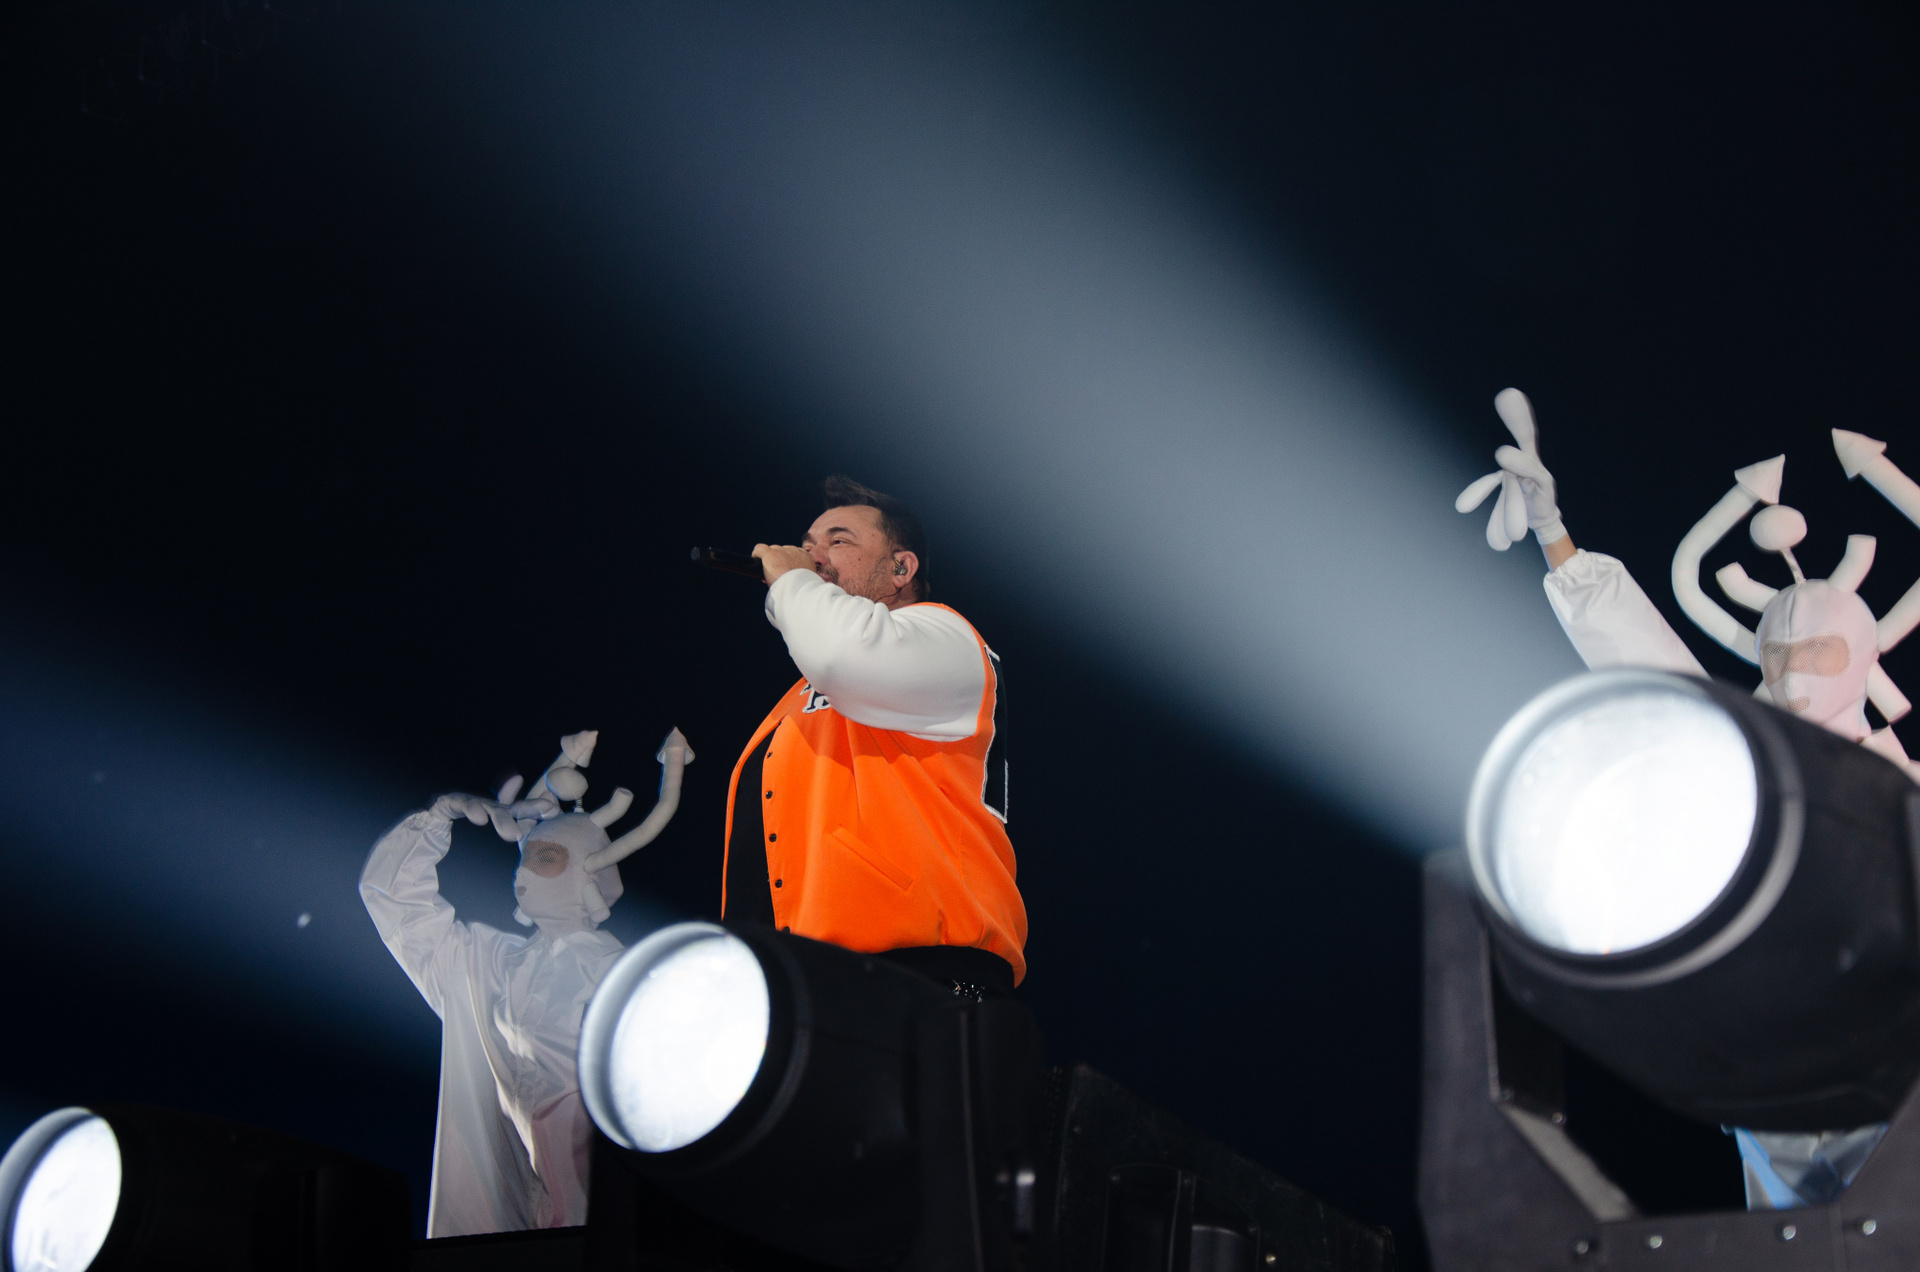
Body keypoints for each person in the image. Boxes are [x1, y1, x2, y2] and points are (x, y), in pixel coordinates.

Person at [1456, 391, 1920, 1210]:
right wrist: (1555, 536)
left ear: (1860, 656)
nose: (1795, 674)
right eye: (1778, 656)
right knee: (1796, 1248)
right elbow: (1648, 669)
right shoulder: (1744, 772)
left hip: (1893, 1080)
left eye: (1818, 652)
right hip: (1773, 1081)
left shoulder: (1904, 798)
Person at [359, 729, 690, 1237]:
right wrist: (440, 815)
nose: (523, 874)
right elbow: (396, 903)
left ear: (587, 872)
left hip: (603, 1241)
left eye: (546, 858)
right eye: (525, 857)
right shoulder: (484, 964)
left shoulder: (629, 984)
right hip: (493, 1240)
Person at [725, 474, 1024, 996]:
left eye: (838, 540)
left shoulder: (945, 634)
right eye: (806, 545)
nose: (812, 556)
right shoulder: (803, 694)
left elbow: (841, 652)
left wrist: (792, 584)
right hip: (802, 984)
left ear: (901, 569)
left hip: (918, 975)